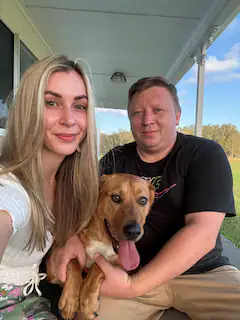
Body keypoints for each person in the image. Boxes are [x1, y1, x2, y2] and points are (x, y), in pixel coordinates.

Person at [52, 76, 240, 320]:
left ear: (177, 116)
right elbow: (80, 200)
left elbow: (202, 234)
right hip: (129, 271)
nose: (147, 120)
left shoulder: (204, 153)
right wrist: (69, 237)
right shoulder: (113, 160)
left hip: (202, 273)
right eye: (137, 113)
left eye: (158, 110)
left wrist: (134, 286)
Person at [0, 55, 99, 319]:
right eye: (51, 103)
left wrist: (68, 239)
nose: (69, 119)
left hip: (34, 297)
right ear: (28, 111)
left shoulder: (66, 183)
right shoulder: (10, 188)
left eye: (79, 106)